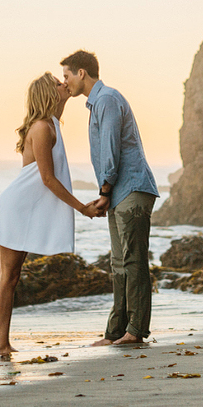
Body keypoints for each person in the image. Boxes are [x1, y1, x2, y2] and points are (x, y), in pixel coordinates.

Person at [0, 72, 103, 357]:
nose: (64, 84)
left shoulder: (52, 125)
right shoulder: (42, 128)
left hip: (25, 210)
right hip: (17, 210)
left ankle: (3, 343)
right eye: (58, 83)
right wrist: (82, 208)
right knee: (7, 276)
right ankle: (0, 345)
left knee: (11, 276)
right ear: (49, 94)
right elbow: (48, 179)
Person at [60, 50, 159, 346]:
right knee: (119, 263)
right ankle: (116, 332)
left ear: (81, 73)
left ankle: (136, 331)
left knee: (133, 261)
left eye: (66, 76)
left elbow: (111, 150)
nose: (65, 83)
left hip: (132, 189)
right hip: (119, 192)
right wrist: (106, 193)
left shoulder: (107, 100)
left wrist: (104, 191)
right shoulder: (98, 104)